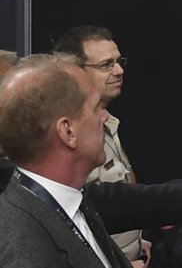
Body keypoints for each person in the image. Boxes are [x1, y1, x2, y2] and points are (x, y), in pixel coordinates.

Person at [0, 55, 182, 268]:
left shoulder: (64, 200)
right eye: (94, 109)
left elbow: (112, 200)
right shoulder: (24, 250)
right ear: (68, 131)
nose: (104, 117)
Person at [52, 27, 143, 264]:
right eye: (106, 65)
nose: (120, 70)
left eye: (119, 61)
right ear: (75, 72)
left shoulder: (106, 121)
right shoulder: (69, 134)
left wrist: (138, 243)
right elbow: (69, 220)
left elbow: (123, 187)